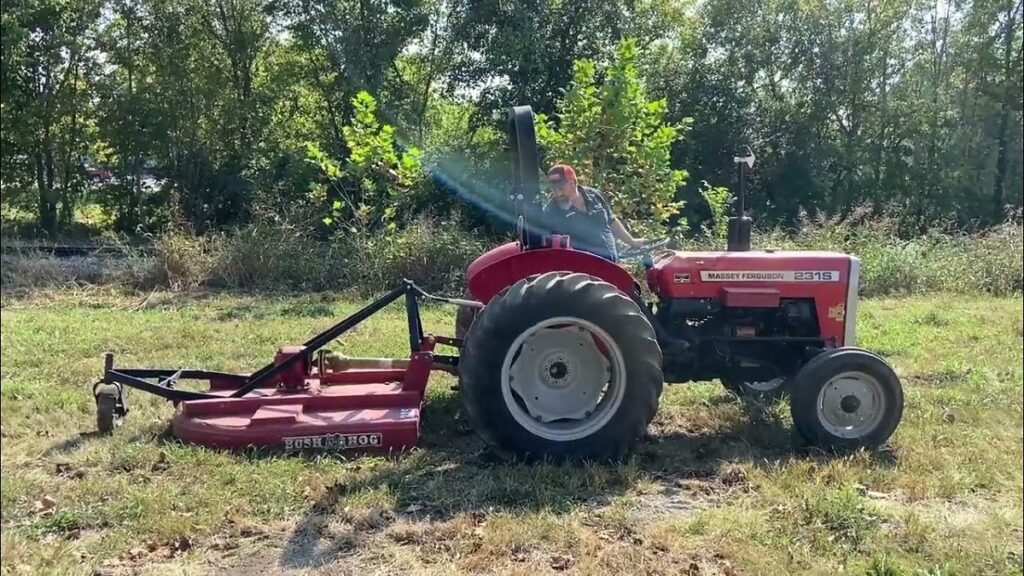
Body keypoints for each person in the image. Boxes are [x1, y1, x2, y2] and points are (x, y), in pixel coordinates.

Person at [540, 164, 646, 262]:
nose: (557, 193)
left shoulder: (594, 195)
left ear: (573, 182)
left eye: (561, 188)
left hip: (612, 265)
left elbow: (611, 221)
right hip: (585, 273)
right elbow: (553, 248)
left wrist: (632, 241)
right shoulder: (551, 212)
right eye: (554, 188)